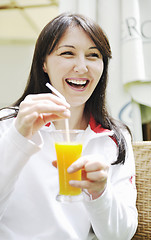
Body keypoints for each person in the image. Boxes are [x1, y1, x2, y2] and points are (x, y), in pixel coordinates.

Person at [0, 13, 138, 240]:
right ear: (43, 62)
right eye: (67, 53)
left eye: (93, 55)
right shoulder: (8, 124)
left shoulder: (114, 138)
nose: (82, 67)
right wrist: (18, 137)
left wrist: (100, 193)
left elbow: (120, 235)